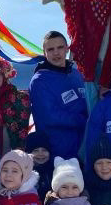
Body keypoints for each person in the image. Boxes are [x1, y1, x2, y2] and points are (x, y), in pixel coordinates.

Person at [29, 31, 88, 160]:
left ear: (67, 49)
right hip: (59, 152)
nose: (56, 53)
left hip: (84, 148)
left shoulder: (76, 74)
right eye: (50, 49)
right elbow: (49, 116)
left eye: (60, 47)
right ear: (44, 53)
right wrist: (85, 120)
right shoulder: (40, 81)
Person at [25, 130, 54, 202]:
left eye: (44, 150)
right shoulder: (24, 172)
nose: (40, 154)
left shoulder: (54, 171)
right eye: (35, 150)